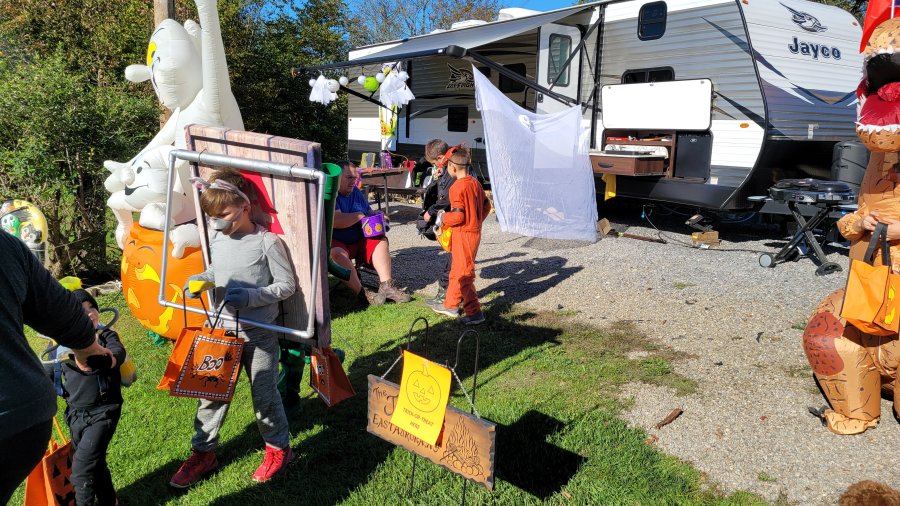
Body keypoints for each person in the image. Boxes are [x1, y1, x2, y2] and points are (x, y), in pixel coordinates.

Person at [170, 172, 297, 488]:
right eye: (212, 217)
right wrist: (203, 278)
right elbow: (218, 270)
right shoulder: (219, 238)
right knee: (210, 397)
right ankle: (203, 453)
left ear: (245, 206)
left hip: (259, 335)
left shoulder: (267, 242)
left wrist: (253, 296)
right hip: (220, 333)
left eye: (223, 215)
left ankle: (279, 449)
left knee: (264, 397)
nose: (217, 222)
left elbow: (287, 286)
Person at [0, 231, 112, 504]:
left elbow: (115, 360)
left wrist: (97, 353)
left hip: (94, 412)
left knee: (86, 464)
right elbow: (57, 309)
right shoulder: (5, 243)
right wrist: (87, 349)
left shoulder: (110, 338)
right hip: (29, 414)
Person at [54, 290, 127, 506]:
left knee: (82, 469)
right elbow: (46, 374)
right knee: (96, 463)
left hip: (103, 413)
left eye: (91, 308)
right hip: (75, 415)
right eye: (80, 311)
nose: (89, 314)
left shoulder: (106, 337)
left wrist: (101, 357)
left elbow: (116, 354)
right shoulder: (59, 347)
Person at [331, 161, 411, 305]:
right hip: (338, 242)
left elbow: (368, 211)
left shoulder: (355, 191)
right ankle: (363, 293)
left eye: (355, 178)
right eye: (348, 178)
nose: (353, 182)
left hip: (359, 239)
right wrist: (360, 216)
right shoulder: (331, 193)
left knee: (381, 240)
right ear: (338, 178)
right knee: (336, 254)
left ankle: (387, 286)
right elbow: (336, 221)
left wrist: (378, 215)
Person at [430, 145, 491, 325]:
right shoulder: (476, 183)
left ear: (452, 167)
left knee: (464, 274)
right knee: (457, 271)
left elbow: (458, 216)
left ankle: (474, 312)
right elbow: (487, 206)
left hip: (463, 235)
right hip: (473, 233)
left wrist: (443, 217)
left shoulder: (456, 188)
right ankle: (450, 304)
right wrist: (477, 221)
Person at [415, 139, 455, 309]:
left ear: (440, 157)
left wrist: (430, 212)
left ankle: (447, 298)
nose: (436, 166)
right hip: (460, 222)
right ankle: (455, 297)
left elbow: (445, 198)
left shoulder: (453, 170)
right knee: (454, 260)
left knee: (453, 261)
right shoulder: (457, 163)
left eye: (434, 163)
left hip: (458, 224)